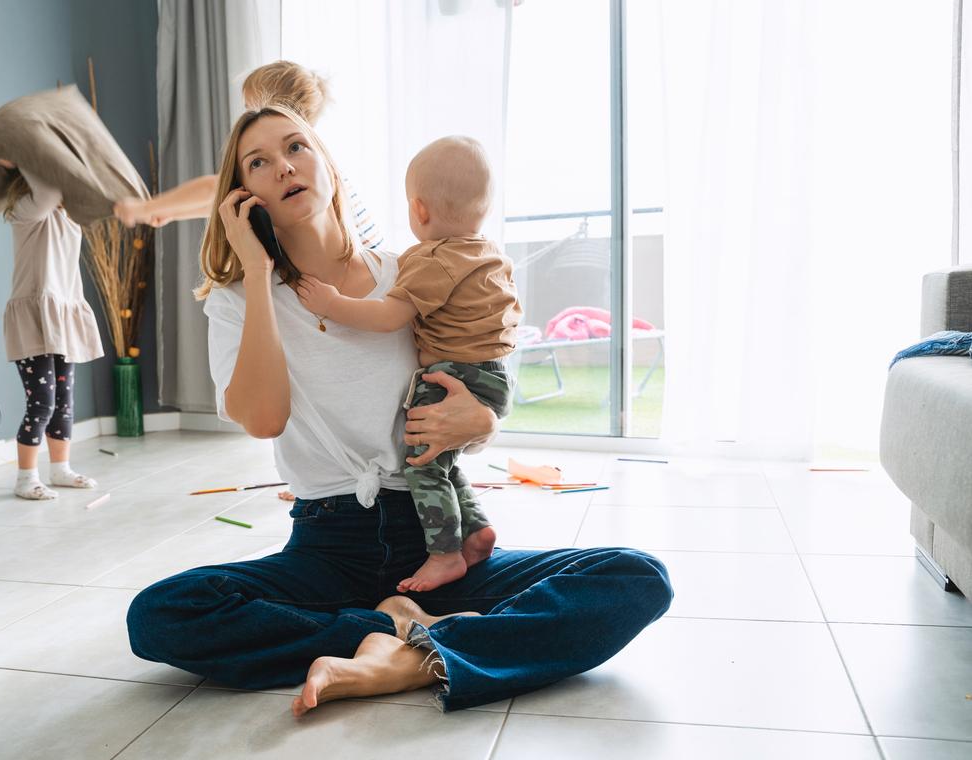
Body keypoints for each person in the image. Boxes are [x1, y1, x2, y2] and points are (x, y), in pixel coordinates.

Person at [125, 104, 673, 715]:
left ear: (328, 165)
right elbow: (264, 419)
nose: (283, 166)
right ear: (243, 196)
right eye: (259, 162)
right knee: (161, 614)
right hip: (326, 545)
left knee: (634, 577)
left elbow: (476, 379)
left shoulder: (413, 272)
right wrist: (255, 272)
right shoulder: (237, 302)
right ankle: (406, 637)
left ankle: (405, 654)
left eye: (296, 147)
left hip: (433, 542)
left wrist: (485, 423)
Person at [295, 136, 521, 593]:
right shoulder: (489, 253)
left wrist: (333, 302)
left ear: (419, 210)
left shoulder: (432, 260)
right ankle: (476, 530)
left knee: (421, 464)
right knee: (444, 460)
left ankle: (444, 554)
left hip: (449, 374)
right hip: (494, 376)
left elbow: (387, 316)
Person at [114, 60, 382, 250]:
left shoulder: (316, 165)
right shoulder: (305, 161)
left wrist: (147, 208)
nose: (247, 118)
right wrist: (172, 212)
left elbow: (213, 188)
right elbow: (231, 197)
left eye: (251, 108)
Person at [0, 159, 104, 500]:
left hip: (61, 315)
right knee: (42, 403)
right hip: (33, 317)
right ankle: (25, 477)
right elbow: (48, 190)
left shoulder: (65, 217)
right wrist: (29, 158)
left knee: (64, 403)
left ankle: (60, 469)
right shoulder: (25, 211)